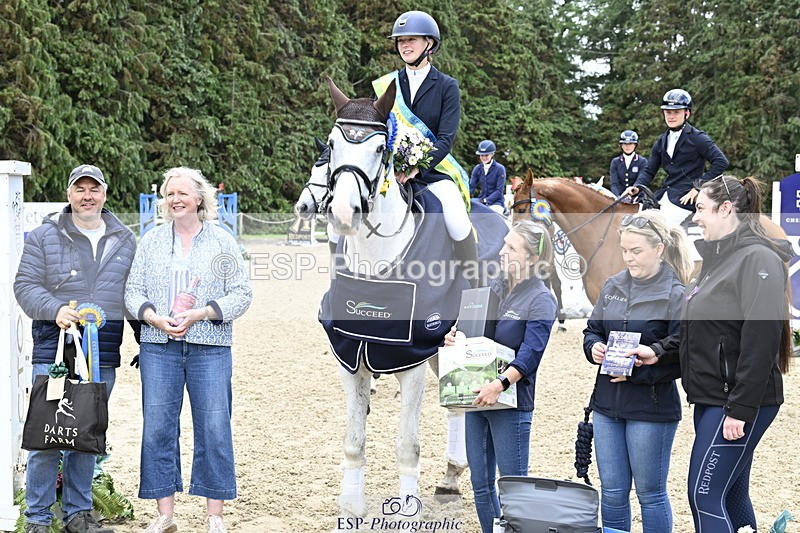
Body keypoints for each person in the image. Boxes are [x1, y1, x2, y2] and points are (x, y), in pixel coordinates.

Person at [631, 176, 792, 532]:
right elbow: (702, 331)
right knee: (731, 494)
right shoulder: (718, 260)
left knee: (703, 496)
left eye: (701, 208)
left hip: (734, 401)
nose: (696, 217)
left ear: (726, 209)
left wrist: (740, 409)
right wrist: (658, 352)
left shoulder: (757, 258)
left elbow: (761, 339)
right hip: (711, 397)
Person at [124, 167, 253, 533]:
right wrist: (153, 318)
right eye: (169, 194)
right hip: (158, 347)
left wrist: (203, 313)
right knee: (157, 429)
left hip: (209, 348)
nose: (175, 200)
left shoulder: (223, 241)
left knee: (214, 426)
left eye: (182, 193)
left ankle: (215, 516)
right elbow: (132, 292)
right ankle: (165, 515)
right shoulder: (151, 241)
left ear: (199, 198)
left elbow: (242, 294)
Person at [14, 164, 138, 533]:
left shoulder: (125, 240)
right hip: (54, 352)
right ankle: (37, 518)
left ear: (104, 194)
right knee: (47, 434)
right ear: (69, 194)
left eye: (93, 189)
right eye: (80, 189)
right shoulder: (43, 236)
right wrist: (54, 309)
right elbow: (25, 285)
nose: (87, 196)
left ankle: (78, 514)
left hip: (102, 354)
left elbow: (133, 295)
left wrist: (147, 341)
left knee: (86, 434)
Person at [582, 210, 692, 533]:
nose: (628, 258)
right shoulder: (612, 285)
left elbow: (683, 351)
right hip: (607, 404)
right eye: (624, 250)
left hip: (651, 407)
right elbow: (592, 330)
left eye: (636, 251)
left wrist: (641, 367)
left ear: (659, 249)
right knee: (612, 492)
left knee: (650, 494)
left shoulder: (676, 293)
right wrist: (593, 347)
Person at [444, 220, 557, 533]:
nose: (501, 251)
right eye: (504, 244)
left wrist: (500, 384)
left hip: (510, 403)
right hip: (477, 397)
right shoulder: (494, 287)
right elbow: (473, 330)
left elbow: (531, 354)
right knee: (481, 485)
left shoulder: (541, 299)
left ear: (532, 259)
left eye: (511, 247)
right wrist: (456, 337)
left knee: (514, 489)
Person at [372, 10, 478, 277]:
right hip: (390, 173)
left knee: (457, 219)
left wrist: (417, 168)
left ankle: (473, 282)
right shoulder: (388, 85)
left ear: (429, 44)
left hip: (432, 173)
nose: (404, 45)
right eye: (400, 41)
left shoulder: (446, 86)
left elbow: (445, 139)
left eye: (411, 39)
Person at [627, 89, 728, 224]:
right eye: (668, 112)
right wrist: (637, 186)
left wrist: (698, 187)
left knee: (659, 227)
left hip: (686, 199)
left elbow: (721, 162)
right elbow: (649, 171)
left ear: (687, 113)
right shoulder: (661, 141)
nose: (671, 116)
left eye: (676, 112)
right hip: (664, 196)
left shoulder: (698, 138)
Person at [469, 140, 507, 214]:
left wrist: (486, 200)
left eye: (486, 155)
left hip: (496, 203)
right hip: (481, 200)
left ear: (492, 154)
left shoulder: (500, 169)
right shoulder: (477, 168)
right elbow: (472, 187)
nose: (483, 157)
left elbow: (499, 190)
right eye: (481, 155)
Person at [609, 130, 647, 200]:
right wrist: (618, 197)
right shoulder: (615, 162)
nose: (628, 146)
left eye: (630, 144)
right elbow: (614, 184)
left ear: (635, 145)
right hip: (620, 198)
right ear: (621, 145)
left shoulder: (642, 161)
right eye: (625, 144)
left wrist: (633, 194)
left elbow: (640, 181)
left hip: (638, 198)